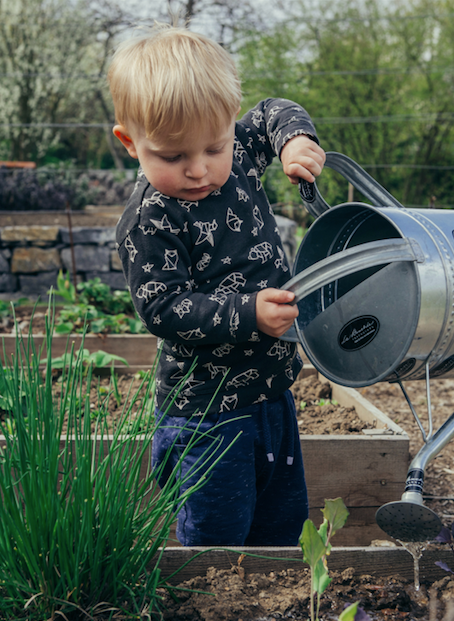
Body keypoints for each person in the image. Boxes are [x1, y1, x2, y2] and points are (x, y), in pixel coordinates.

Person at [108, 23, 326, 547]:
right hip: (207, 415)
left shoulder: (242, 154)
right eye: (172, 156)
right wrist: (248, 312)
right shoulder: (150, 220)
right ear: (129, 142)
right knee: (217, 541)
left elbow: (274, 109)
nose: (199, 169)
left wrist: (296, 140)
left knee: (281, 525)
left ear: (230, 125)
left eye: (214, 146)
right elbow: (163, 307)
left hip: (273, 395)